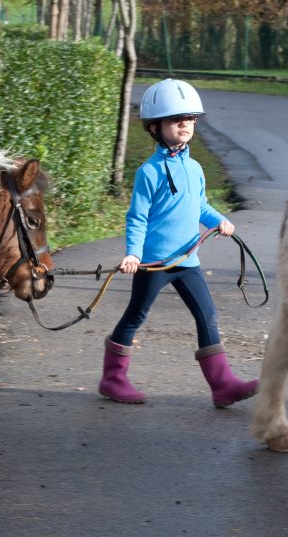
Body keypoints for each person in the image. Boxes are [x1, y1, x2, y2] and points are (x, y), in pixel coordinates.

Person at [98, 78, 259, 407]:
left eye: (191, 119)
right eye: (176, 119)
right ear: (155, 128)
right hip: (156, 262)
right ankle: (112, 379)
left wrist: (219, 221)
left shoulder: (195, 167)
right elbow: (137, 217)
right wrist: (133, 253)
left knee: (208, 314)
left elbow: (199, 205)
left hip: (188, 261)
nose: (185, 124)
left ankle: (223, 384)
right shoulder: (149, 172)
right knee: (136, 315)